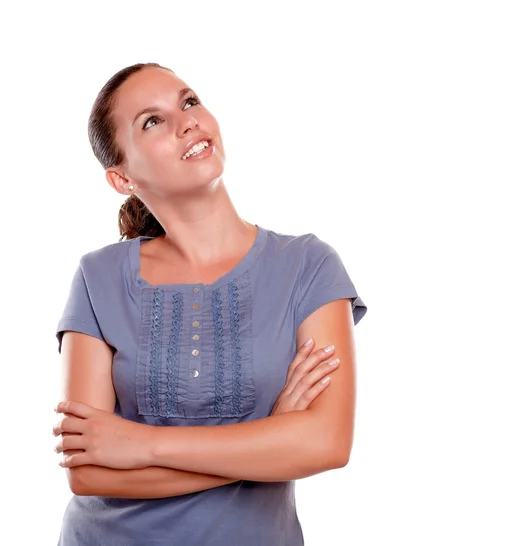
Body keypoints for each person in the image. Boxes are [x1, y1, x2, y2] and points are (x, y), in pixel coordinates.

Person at [52, 62, 368, 546]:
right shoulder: (98, 277)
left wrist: (143, 444)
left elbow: (326, 443)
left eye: (189, 101)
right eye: (152, 121)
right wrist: (270, 439)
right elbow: (89, 473)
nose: (187, 121)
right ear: (122, 179)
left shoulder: (308, 266)